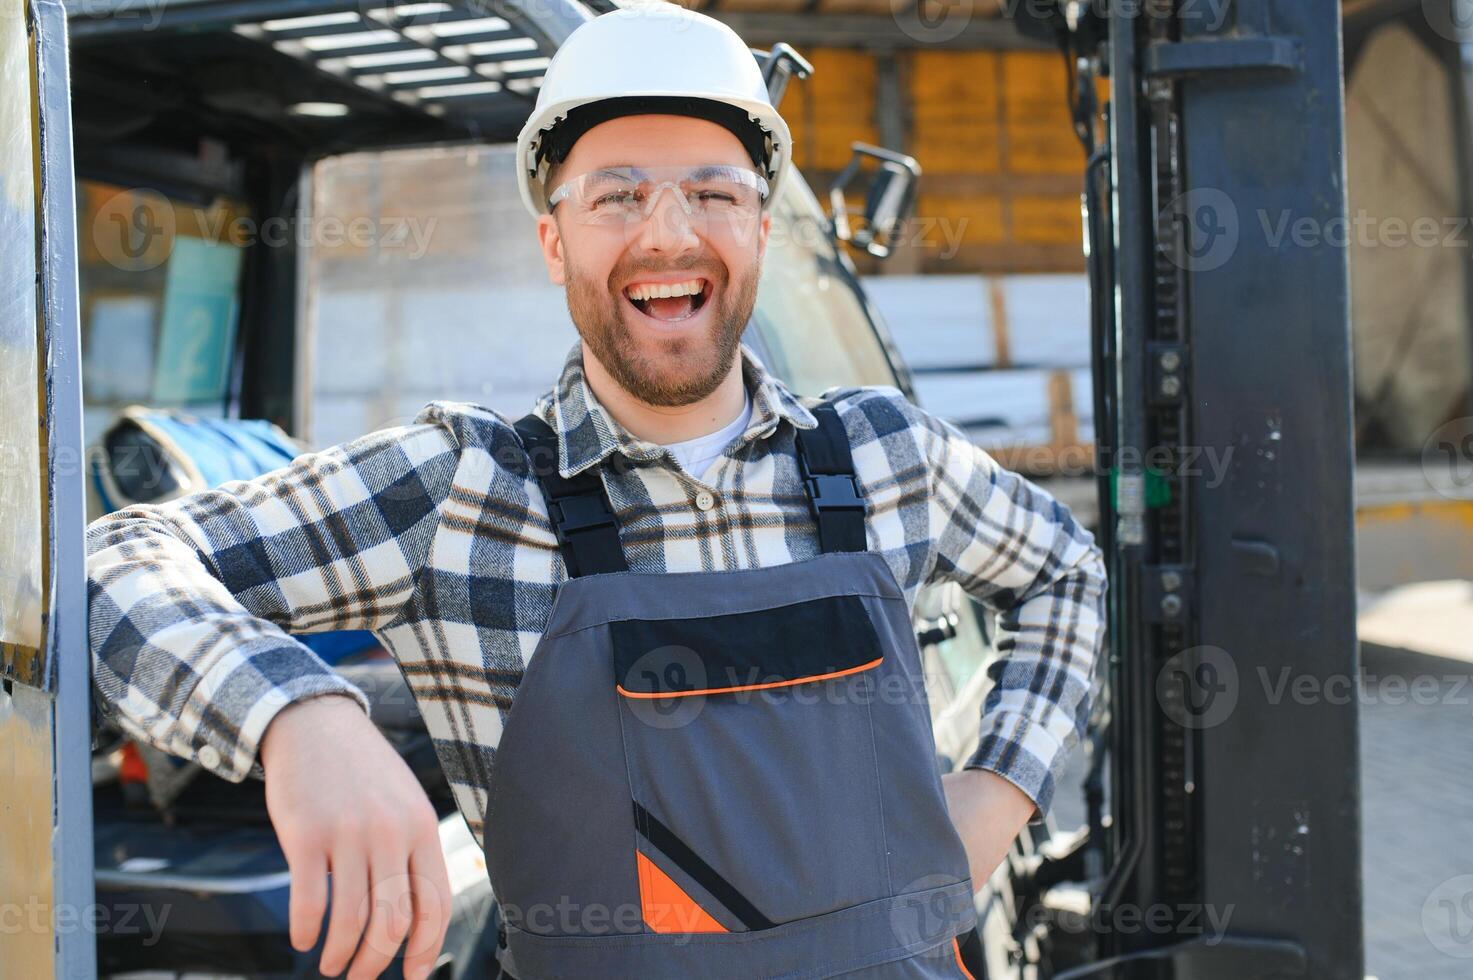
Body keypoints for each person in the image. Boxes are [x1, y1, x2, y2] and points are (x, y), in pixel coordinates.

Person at [85, 8, 1107, 979]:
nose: (668, 235)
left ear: (759, 227)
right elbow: (112, 560)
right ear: (554, 242)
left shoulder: (886, 457)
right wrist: (298, 713)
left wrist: (999, 788)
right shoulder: (461, 496)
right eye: (617, 195)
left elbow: (1068, 566)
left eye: (712, 192)